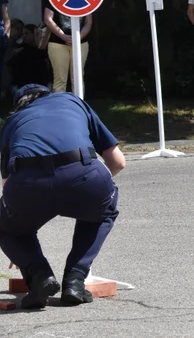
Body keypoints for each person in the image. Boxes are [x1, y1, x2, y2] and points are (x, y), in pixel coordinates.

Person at [0, 84, 125, 309]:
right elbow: (118, 162)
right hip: (82, 174)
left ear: (18, 107)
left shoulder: (13, 122)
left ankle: (39, 276)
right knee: (102, 211)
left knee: (6, 225)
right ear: (49, 94)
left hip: (27, 184)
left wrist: (18, 245)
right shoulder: (72, 101)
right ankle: (75, 281)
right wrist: (97, 190)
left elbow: (7, 185)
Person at [43, 6, 91, 94]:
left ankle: (78, 105)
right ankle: (59, 106)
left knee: (78, 79)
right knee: (60, 79)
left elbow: (88, 22)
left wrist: (78, 38)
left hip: (81, 44)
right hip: (57, 44)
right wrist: (63, 36)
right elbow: (48, 19)